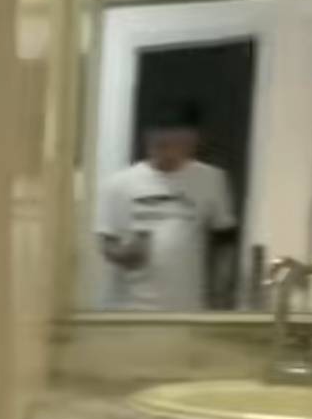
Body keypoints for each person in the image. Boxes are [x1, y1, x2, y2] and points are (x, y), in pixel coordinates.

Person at [97, 107, 237, 309]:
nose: (166, 148)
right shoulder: (118, 184)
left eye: (175, 141)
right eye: (159, 142)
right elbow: (106, 245)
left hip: (187, 308)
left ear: (191, 140)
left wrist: (221, 295)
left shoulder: (211, 179)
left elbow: (225, 244)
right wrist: (124, 254)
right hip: (129, 308)